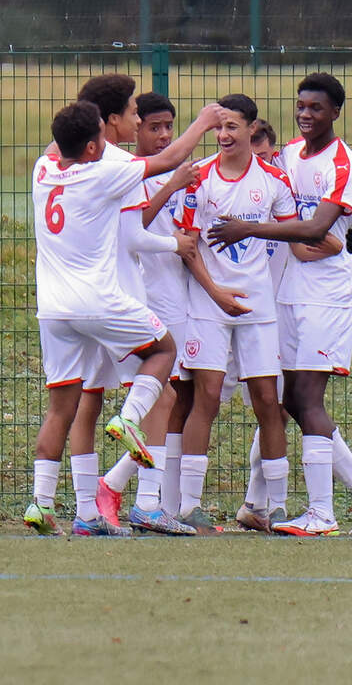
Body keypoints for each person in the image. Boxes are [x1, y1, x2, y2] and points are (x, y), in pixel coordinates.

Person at [23, 99, 220, 536]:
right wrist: (203, 122)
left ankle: (44, 503)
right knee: (165, 349)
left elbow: (62, 147)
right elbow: (167, 161)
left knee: (63, 408)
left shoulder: (42, 171)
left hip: (53, 311)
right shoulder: (105, 171)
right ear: (95, 142)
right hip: (100, 301)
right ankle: (130, 420)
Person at [207, 73, 352, 536]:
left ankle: (323, 514)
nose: (306, 114)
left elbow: (316, 230)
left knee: (305, 398)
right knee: (287, 400)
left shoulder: (343, 164)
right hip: (287, 292)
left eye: (316, 108)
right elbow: (273, 197)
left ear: (335, 112)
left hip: (328, 296)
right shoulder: (289, 155)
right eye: (301, 105)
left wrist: (248, 229)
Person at [63, 81, 201, 536]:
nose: (140, 121)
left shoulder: (62, 163)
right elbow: (134, 236)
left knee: (87, 402)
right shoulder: (121, 166)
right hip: (117, 299)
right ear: (110, 121)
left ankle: (86, 510)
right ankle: (147, 504)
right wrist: (176, 243)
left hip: (74, 303)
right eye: (133, 113)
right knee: (161, 395)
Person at [173, 95, 295, 534]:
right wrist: (216, 292)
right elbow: (187, 245)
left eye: (232, 127)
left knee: (268, 401)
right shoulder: (198, 177)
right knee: (205, 399)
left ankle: (275, 509)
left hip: (258, 306)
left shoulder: (274, 180)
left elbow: (292, 233)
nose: (223, 135)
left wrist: (333, 243)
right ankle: (189, 507)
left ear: (250, 129)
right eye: (218, 127)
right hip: (209, 304)